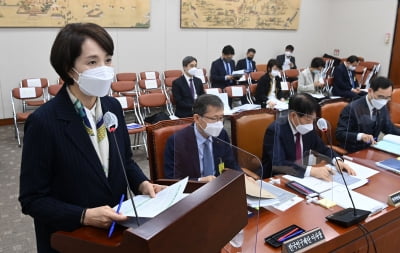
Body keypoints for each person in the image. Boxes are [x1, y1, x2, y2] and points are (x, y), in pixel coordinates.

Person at [18, 23, 165, 253]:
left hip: (116, 233)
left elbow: (124, 160)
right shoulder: (44, 122)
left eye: (108, 60)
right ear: (69, 69)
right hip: (71, 239)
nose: (105, 69)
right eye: (92, 62)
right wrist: (84, 216)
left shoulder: (112, 107)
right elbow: (32, 199)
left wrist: (142, 184)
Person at [261, 93, 355, 180]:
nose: (310, 124)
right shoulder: (275, 130)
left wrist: (337, 161)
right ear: (293, 115)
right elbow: (279, 164)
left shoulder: (307, 127)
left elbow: (322, 148)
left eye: (313, 119)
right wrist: (311, 171)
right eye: (308, 119)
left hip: (301, 177)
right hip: (276, 179)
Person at [164, 94, 240, 182]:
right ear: (197, 118)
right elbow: (172, 179)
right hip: (192, 190)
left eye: (221, 118)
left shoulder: (221, 135)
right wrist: (199, 181)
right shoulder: (177, 141)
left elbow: (231, 164)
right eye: (214, 118)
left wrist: (243, 178)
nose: (219, 123)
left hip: (219, 187)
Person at [336, 76, 400, 153]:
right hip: (354, 150)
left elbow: (389, 128)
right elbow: (340, 134)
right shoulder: (352, 108)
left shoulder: (382, 106)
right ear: (370, 91)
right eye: (380, 97)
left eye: (387, 98)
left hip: (373, 148)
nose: (383, 101)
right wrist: (360, 136)